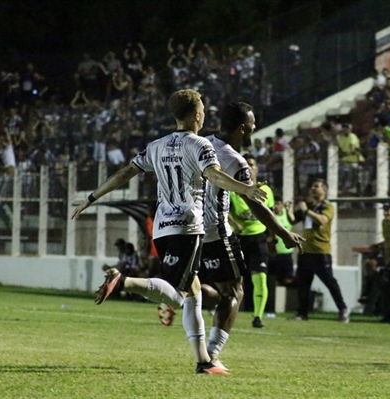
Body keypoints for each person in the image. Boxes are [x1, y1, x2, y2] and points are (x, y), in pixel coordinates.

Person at [71, 89, 267, 375]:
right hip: (188, 226)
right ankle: (123, 281)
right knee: (178, 294)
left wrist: (92, 197)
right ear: (198, 115)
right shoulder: (201, 145)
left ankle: (205, 361)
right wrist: (245, 188)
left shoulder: (156, 145)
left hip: (161, 227)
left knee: (194, 295)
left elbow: (125, 172)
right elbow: (213, 175)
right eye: (202, 109)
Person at [196, 102, 304, 370]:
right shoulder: (236, 161)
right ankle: (211, 356)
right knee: (233, 291)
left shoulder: (199, 143)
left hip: (188, 226)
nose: (255, 127)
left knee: (210, 288)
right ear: (243, 128)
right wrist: (283, 232)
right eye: (253, 123)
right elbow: (255, 203)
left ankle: (179, 294)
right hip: (215, 230)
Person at [291, 179, 349, 322]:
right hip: (305, 251)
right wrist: (288, 209)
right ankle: (302, 313)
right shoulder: (309, 206)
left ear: (324, 191)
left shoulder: (327, 206)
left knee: (330, 282)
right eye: (312, 185)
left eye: (316, 186)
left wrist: (306, 211)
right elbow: (293, 220)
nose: (312, 188)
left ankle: (343, 309)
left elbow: (323, 220)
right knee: (303, 285)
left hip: (321, 252)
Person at [229, 153, 274, 328]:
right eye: (244, 164)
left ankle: (258, 317)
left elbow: (269, 216)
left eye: (251, 164)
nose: (248, 167)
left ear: (256, 169)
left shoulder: (266, 191)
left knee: (260, 278)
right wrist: (233, 223)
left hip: (258, 239)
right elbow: (222, 212)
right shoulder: (232, 190)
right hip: (238, 239)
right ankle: (227, 309)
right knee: (233, 279)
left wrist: (274, 237)